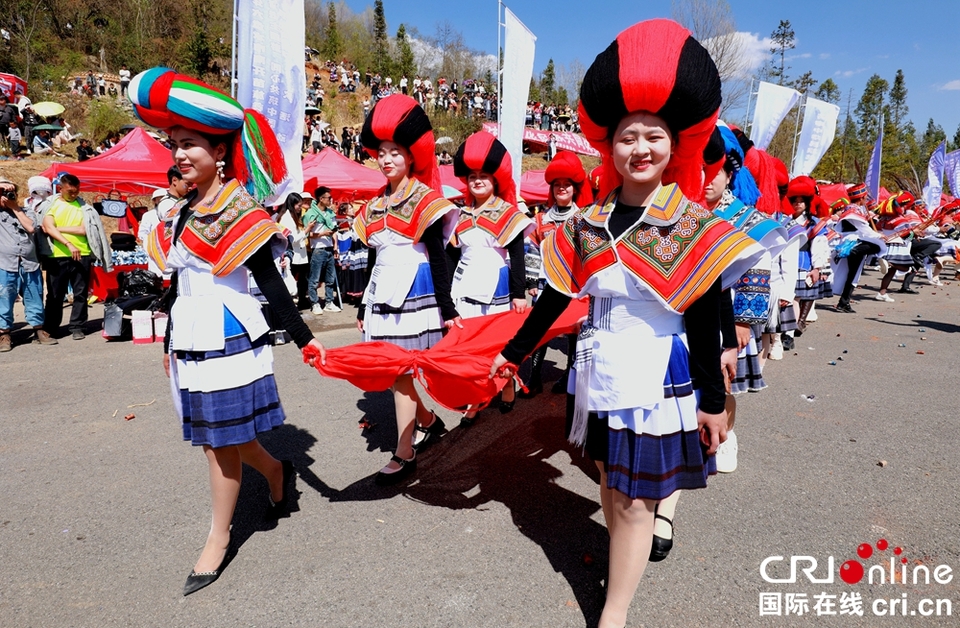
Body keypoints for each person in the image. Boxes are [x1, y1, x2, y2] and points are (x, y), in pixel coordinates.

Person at [487, 20, 762, 628]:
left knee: (635, 500)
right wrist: (515, 352)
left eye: (653, 136)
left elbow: (698, 315)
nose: (640, 147)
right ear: (609, 147)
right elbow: (555, 299)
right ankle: (624, 561)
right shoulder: (584, 223)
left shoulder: (690, 221)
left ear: (675, 147)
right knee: (612, 486)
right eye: (628, 136)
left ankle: (614, 614)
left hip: (658, 372)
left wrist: (713, 402)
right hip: (599, 369)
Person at [129, 67, 325, 596]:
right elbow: (178, 282)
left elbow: (269, 283)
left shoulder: (242, 209)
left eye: (189, 143)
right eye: (174, 145)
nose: (179, 155)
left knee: (217, 445)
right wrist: (168, 341)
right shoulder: (182, 210)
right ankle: (277, 472)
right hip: (191, 336)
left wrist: (305, 339)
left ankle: (217, 539)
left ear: (220, 150)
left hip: (229, 335)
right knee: (226, 438)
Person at [351, 94, 460, 484]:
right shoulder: (372, 205)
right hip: (382, 295)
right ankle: (428, 422)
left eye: (395, 152)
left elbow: (438, 256)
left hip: (415, 291)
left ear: (411, 156)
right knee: (398, 372)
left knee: (400, 371)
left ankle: (405, 451)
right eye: (381, 152)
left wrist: (448, 309)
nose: (386, 159)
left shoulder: (427, 200)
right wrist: (363, 306)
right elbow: (370, 262)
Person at [449, 132, 533, 424]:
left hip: (495, 284)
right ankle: (477, 397)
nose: (477, 181)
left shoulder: (507, 212)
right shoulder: (459, 214)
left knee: (497, 343)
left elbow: (518, 256)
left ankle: (507, 383)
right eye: (472, 176)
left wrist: (518, 294)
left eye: (484, 175)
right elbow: (452, 254)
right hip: (464, 283)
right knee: (470, 345)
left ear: (496, 178)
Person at [519, 151, 593, 398]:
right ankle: (535, 376)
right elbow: (532, 251)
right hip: (545, 284)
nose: (562, 189)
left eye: (567, 185)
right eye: (557, 185)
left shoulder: (585, 219)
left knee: (572, 332)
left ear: (575, 189)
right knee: (541, 332)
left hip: (575, 288)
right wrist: (530, 281)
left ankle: (568, 375)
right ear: (551, 189)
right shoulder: (540, 219)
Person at [41, 173, 111, 340]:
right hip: (56, 256)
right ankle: (50, 327)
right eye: (70, 191)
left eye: (76, 191)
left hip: (83, 254)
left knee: (80, 293)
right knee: (55, 295)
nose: (74, 194)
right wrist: (67, 242)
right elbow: (47, 227)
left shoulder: (84, 208)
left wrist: (58, 228)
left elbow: (83, 230)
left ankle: (77, 326)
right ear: (60, 188)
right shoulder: (51, 205)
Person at [0, 178, 45, 352]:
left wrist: (15, 208)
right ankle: (4, 334)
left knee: (34, 296)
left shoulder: (26, 211)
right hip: (5, 264)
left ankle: (39, 330)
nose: (7, 196)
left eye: (10, 193)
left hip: (29, 263)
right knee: (4, 299)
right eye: (3, 193)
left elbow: (31, 228)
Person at [784, 176, 832, 331]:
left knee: (797, 297)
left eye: (801, 201)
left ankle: (796, 326)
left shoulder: (813, 223)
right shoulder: (784, 220)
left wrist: (817, 267)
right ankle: (791, 327)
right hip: (784, 261)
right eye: (795, 201)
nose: (798, 204)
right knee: (787, 297)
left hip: (804, 261)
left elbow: (819, 245)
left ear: (807, 203)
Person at [303, 186, 340, 314]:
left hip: (330, 248)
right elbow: (306, 234)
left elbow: (334, 230)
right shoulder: (310, 214)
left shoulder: (330, 213)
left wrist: (336, 247)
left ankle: (329, 302)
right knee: (315, 278)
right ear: (321, 199)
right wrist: (322, 234)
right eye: (328, 197)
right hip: (317, 249)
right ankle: (315, 303)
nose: (330, 200)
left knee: (330, 278)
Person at [277, 192, 311, 309]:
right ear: (292, 204)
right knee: (290, 280)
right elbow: (293, 239)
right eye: (299, 205)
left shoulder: (291, 216)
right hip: (292, 254)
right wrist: (306, 230)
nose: (300, 208)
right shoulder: (286, 218)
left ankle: (297, 303)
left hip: (298, 254)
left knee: (299, 280)